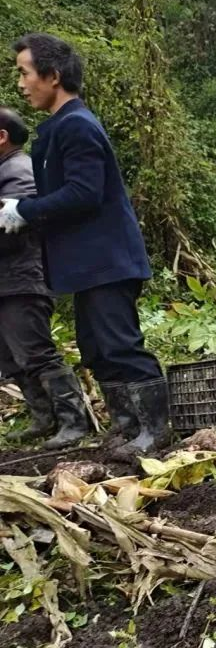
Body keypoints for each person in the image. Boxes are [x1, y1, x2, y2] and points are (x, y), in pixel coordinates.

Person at [0, 33, 169, 454]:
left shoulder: (76, 124)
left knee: (120, 345)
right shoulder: (57, 127)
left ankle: (155, 431)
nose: (21, 84)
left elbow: (84, 192)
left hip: (107, 260)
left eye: (25, 73)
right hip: (88, 264)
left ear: (52, 76)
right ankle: (128, 428)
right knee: (97, 349)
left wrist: (26, 209)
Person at [0, 106, 92, 448]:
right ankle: (44, 418)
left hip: (22, 277)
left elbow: (17, 223)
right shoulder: (5, 168)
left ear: (2, 136)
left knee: (36, 352)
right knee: (11, 358)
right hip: (7, 280)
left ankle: (74, 420)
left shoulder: (19, 169)